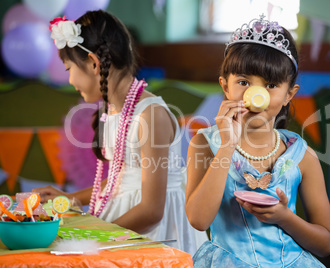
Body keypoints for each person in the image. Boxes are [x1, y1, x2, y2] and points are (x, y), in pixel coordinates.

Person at [33, 10, 205, 255]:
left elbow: (152, 211)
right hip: (122, 221)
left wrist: (93, 235)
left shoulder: (150, 115)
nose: (70, 80)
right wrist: (72, 198)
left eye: (68, 69)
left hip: (156, 233)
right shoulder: (115, 109)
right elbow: (121, 178)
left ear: (93, 63)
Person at [185, 15, 330, 267]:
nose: (256, 95)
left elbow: (326, 244)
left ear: (289, 94)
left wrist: (285, 217)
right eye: (243, 82)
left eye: (271, 85)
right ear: (225, 86)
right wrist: (227, 146)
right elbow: (199, 221)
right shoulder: (204, 144)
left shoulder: (302, 156)